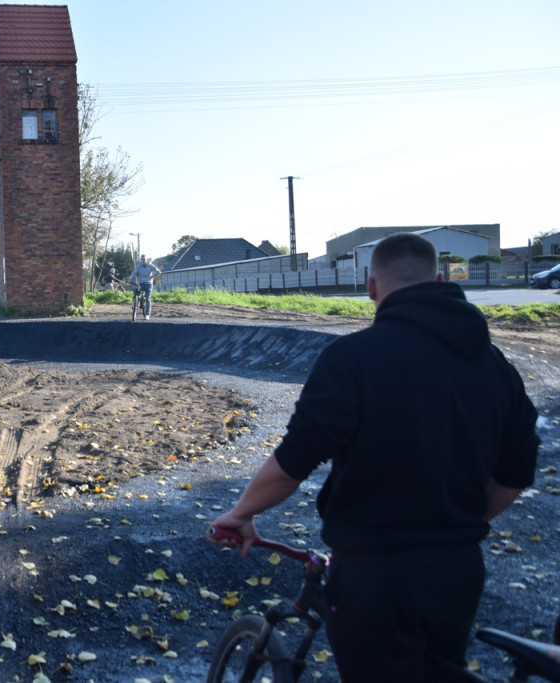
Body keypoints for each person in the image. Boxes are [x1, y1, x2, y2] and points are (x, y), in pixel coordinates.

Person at [209, 232, 540, 682]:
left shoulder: (353, 358)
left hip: (376, 573)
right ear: (441, 279)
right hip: (459, 570)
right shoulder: (495, 364)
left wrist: (241, 512)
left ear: (370, 286)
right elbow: (516, 473)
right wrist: (451, 521)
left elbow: (296, 459)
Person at [129, 254, 161, 319]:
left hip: (149, 284)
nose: (143, 260)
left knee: (148, 298)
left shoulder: (151, 266)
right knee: (136, 289)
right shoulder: (139, 266)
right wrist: (130, 279)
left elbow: (158, 272)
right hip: (141, 283)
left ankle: (147, 314)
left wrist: (152, 276)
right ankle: (136, 302)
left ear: (146, 259)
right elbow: (134, 272)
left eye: (144, 259)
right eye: (141, 259)